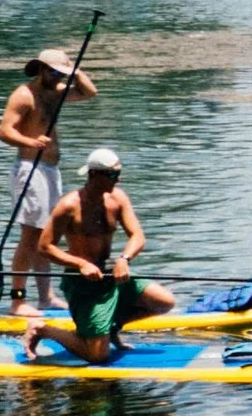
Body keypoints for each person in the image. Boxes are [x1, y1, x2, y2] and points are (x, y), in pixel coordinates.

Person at [23, 148, 174, 364]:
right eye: (112, 175)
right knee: (98, 356)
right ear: (94, 175)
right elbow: (45, 247)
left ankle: (109, 328)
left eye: (118, 173)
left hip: (111, 274)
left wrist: (124, 259)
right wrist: (81, 263)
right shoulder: (69, 205)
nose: (118, 179)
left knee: (164, 302)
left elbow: (137, 236)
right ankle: (42, 329)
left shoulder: (118, 198)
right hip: (82, 283)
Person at [0, 45, 96, 318]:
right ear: (40, 69)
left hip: (50, 171)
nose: (57, 77)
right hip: (29, 169)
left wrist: (75, 72)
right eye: (53, 71)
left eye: (60, 72)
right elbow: (4, 131)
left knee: (47, 236)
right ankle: (18, 300)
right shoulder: (24, 95)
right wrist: (31, 141)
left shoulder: (56, 94)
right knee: (30, 235)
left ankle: (46, 297)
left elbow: (90, 93)